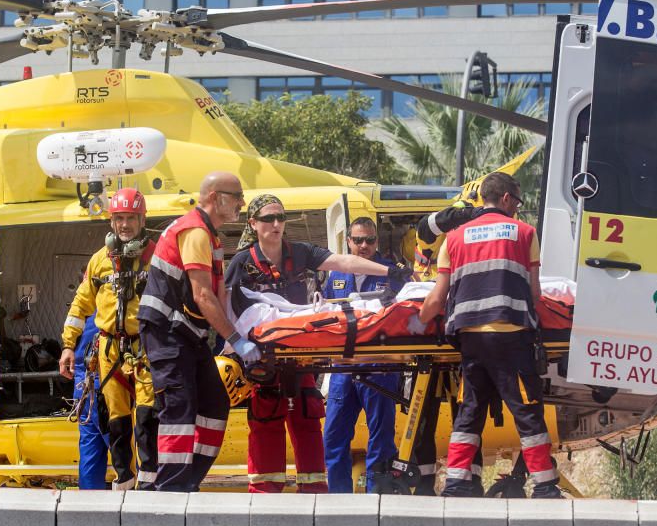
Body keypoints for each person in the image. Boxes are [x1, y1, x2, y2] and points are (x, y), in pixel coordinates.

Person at [227, 196, 413, 493]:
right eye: (268, 219)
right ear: (253, 223)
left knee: (308, 424)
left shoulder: (299, 253)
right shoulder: (242, 264)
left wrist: (389, 272)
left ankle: (317, 495)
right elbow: (226, 307)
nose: (276, 224)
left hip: (302, 360)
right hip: (263, 361)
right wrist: (235, 346)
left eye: (280, 218)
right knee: (266, 425)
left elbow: (343, 261)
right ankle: (264, 497)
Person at [420, 171, 561, 498]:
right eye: (517, 202)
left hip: (470, 339)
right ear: (508, 199)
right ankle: (544, 486)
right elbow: (536, 293)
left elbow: (437, 298)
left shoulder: (453, 238)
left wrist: (417, 320)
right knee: (527, 411)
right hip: (510, 335)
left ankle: (455, 483)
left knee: (470, 409)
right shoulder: (525, 233)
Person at [138, 171, 252, 492]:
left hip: (188, 336)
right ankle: (169, 493)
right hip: (167, 333)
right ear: (217, 198)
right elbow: (202, 296)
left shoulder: (211, 236)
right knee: (180, 409)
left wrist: (236, 336)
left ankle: (187, 481)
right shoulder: (196, 232)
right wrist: (236, 340)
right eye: (237, 196)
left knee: (215, 405)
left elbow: (219, 296)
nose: (241, 203)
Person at [59, 188, 158, 491]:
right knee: (114, 419)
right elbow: (81, 305)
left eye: (130, 218)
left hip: (145, 348)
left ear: (142, 220)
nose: (124, 225)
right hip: (109, 349)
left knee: (147, 416)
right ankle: (124, 480)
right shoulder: (100, 261)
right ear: (112, 222)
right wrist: (68, 345)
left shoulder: (156, 257)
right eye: (119, 218)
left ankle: (150, 483)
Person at [322, 216, 404, 493]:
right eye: (358, 240)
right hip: (342, 367)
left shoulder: (390, 272)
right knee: (333, 437)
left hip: (380, 366)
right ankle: (338, 499)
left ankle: (377, 497)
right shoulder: (336, 274)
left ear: (377, 242)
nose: (364, 245)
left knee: (381, 440)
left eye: (370, 240)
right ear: (348, 241)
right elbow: (323, 313)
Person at [69, 315, 110, 490]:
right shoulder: (107, 310)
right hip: (107, 392)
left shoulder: (78, 316)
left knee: (90, 454)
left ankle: (88, 508)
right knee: (127, 452)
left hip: (84, 390)